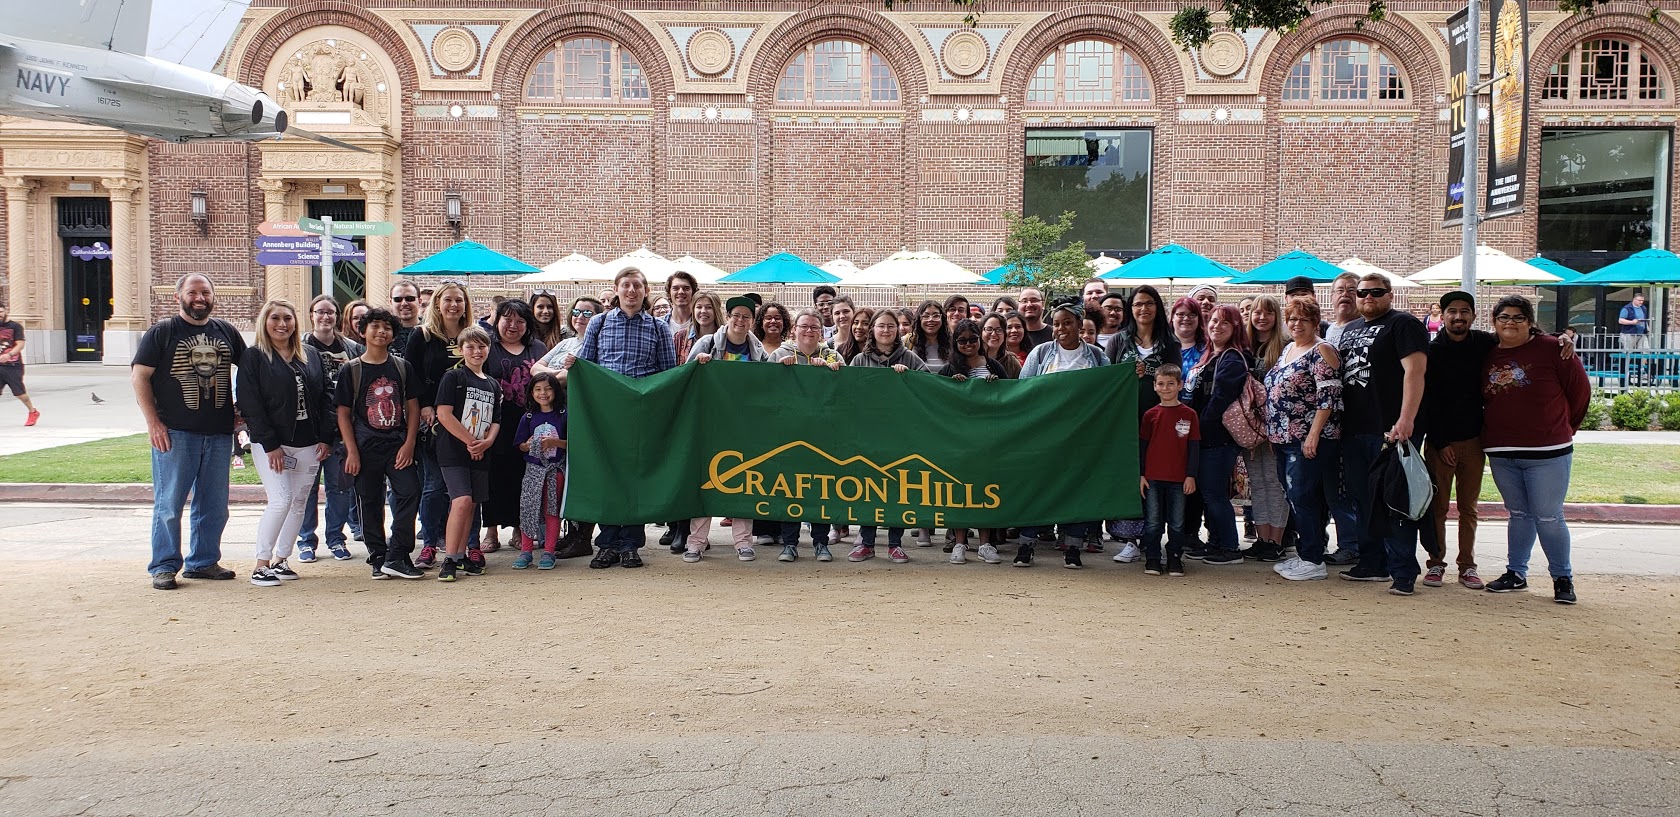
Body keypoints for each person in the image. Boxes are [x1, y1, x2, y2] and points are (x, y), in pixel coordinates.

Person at [134, 274, 248, 590]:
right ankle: (164, 565)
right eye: (193, 292)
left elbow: (250, 370)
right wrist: (153, 422)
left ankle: (203, 562)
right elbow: (140, 377)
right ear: (178, 297)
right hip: (175, 433)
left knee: (213, 505)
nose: (199, 298)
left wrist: (242, 407)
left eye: (205, 292)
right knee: (169, 504)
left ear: (214, 296)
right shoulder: (162, 332)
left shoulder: (226, 332)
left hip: (219, 433)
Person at [1481, 295, 1591, 604]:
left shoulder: (1553, 349)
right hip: (1502, 452)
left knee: (1547, 516)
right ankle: (1516, 573)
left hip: (1549, 452)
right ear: (1494, 322)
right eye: (1504, 317)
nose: (1510, 323)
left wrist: (1563, 429)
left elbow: (1580, 393)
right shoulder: (1487, 354)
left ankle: (1562, 577)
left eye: (1518, 317)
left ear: (1530, 322)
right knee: (1518, 514)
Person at [565, 267, 679, 568]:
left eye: (637, 286)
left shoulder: (657, 328)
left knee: (634, 477)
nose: (631, 291)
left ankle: (630, 544)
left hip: (641, 413)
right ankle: (607, 543)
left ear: (645, 291)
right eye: (626, 285)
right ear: (616, 290)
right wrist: (572, 364)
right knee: (607, 477)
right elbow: (586, 365)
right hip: (606, 412)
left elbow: (667, 373)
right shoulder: (599, 323)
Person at [1336, 272, 1429, 596]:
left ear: (1390, 294)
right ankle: (1371, 562)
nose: (1368, 298)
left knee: (1394, 501)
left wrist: (1406, 419)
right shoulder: (1350, 329)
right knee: (1363, 500)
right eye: (1362, 293)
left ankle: (1403, 570)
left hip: (1390, 431)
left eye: (1376, 292)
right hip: (1354, 430)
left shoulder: (1403, 324)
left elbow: (1415, 372)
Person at [236, 300, 333, 587]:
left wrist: (327, 437)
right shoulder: (254, 357)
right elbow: (250, 404)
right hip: (272, 444)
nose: (282, 324)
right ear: (264, 322)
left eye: (287, 318)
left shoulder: (311, 355)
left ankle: (281, 559)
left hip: (309, 443)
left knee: (299, 502)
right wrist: (270, 444)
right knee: (281, 500)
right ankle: (261, 563)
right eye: (275, 318)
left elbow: (327, 397)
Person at [335, 308, 423, 581]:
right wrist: (351, 450)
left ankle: (398, 554)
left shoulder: (401, 367)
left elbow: (413, 407)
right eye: (374, 326)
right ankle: (377, 556)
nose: (381, 331)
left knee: (410, 491)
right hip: (365, 445)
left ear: (393, 335)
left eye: (387, 327)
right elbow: (343, 413)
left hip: (396, 443)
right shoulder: (352, 369)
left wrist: (409, 443)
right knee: (369, 500)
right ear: (363, 331)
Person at [683, 295, 772, 562]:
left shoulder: (758, 352)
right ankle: (696, 542)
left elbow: (767, 386)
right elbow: (685, 378)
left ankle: (743, 542)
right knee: (705, 481)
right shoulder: (707, 343)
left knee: (743, 479)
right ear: (728, 317)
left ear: (752, 321)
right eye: (736, 315)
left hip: (744, 426)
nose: (740, 320)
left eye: (746, 316)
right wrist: (697, 364)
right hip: (710, 423)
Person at [1020, 303, 1109, 568]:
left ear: (1080, 325)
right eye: (1057, 323)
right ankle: (1026, 544)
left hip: (1082, 437)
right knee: (1037, 488)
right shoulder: (1041, 353)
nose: (1061, 328)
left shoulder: (1095, 355)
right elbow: (1023, 390)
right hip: (1045, 436)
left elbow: (1109, 389)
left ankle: (1072, 547)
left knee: (1077, 491)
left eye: (1067, 322)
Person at [1264, 298, 1343, 581]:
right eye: (1292, 319)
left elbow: (1329, 397)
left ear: (1315, 321)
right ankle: (1305, 552)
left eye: (1303, 319)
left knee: (1303, 495)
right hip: (1284, 437)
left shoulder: (1322, 350)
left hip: (1308, 438)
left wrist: (1313, 435)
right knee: (1293, 496)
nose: (1297, 324)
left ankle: (1313, 558)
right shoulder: (1288, 348)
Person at [847, 309, 929, 563]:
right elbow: (847, 392)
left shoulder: (911, 358)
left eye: (891, 326)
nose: (885, 331)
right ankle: (866, 542)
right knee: (868, 488)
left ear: (898, 330)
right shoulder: (860, 359)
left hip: (900, 435)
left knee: (897, 488)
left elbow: (929, 387)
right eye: (881, 326)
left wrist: (909, 379)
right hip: (868, 435)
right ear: (872, 329)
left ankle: (895, 543)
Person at [1422, 291, 1492, 590]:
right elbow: (1428, 401)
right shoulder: (1432, 351)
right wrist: (1441, 442)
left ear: (1474, 316)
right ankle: (1435, 563)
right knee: (1437, 506)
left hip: (1474, 441)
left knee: (1469, 507)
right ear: (1443, 315)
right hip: (1441, 443)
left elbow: (1526, 336)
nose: (1458, 317)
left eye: (1465, 311)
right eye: (1452, 311)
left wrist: (1560, 338)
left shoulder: (1486, 344)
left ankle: (1467, 566)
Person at [405, 281, 473, 567]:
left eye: (459, 300)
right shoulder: (422, 336)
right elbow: (411, 375)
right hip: (433, 420)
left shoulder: (472, 335)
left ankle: (469, 545)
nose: (453, 305)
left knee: (469, 488)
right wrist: (424, 406)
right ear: (437, 304)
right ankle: (430, 543)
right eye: (448, 300)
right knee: (433, 485)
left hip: (469, 419)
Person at [768, 309, 845, 562]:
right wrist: (779, 371)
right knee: (789, 488)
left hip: (823, 435)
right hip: (788, 433)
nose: (809, 331)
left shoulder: (833, 355)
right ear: (795, 329)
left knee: (821, 489)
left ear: (821, 332)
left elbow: (846, 391)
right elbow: (764, 387)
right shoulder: (779, 354)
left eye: (814, 327)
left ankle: (821, 543)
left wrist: (835, 373)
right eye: (804, 326)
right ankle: (789, 543)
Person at [296, 296, 364, 562]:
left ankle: (336, 538)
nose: (325, 317)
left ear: (338, 317)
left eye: (331, 313)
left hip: (342, 431)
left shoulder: (353, 348)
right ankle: (306, 541)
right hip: (309, 432)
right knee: (308, 488)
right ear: (311, 315)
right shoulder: (299, 347)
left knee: (340, 488)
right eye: (320, 312)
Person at [937, 319, 1009, 565]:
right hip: (959, 440)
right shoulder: (948, 369)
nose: (968, 344)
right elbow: (938, 401)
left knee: (986, 489)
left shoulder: (995, 366)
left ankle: (986, 543)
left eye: (972, 339)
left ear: (980, 339)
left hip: (990, 439)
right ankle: (959, 542)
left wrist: (996, 386)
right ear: (955, 343)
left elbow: (1010, 397)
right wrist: (951, 388)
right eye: (962, 340)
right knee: (959, 490)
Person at [1186, 304, 1253, 566]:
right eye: (1213, 321)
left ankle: (1229, 546)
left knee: (1214, 494)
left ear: (1235, 327)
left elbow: (1219, 400)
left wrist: (1197, 428)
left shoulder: (1233, 358)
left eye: (1225, 322)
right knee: (1208, 493)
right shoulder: (1210, 355)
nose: (1216, 326)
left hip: (1216, 438)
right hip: (1203, 438)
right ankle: (1216, 542)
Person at [433, 325, 501, 582]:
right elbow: (444, 414)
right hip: (454, 451)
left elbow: (496, 419)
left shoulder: (492, 384)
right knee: (460, 500)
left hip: (481, 452)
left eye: (481, 346)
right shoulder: (453, 377)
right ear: (460, 350)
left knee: (472, 504)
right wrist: (471, 441)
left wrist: (487, 442)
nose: (476, 351)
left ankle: (461, 556)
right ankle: (449, 558)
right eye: (470, 347)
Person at [1139, 364, 1199, 576]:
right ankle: (1153, 557)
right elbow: (1143, 446)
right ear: (1154, 386)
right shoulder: (1150, 415)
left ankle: (1174, 557)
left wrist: (1190, 475)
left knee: (1176, 523)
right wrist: (1142, 474)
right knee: (1153, 522)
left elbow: (1193, 447)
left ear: (1180, 385)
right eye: (1161, 384)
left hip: (1178, 478)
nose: (1166, 388)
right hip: (1153, 478)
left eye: (1171, 384)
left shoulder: (1189, 414)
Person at [1244, 295, 1291, 561]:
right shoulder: (1244, 346)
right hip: (1249, 428)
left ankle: (1276, 540)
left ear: (1276, 317)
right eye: (1256, 313)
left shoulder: (1285, 347)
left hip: (1277, 426)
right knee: (1257, 483)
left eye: (1268, 313)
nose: (1262, 317)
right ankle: (1262, 539)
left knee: (1275, 484)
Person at [514, 371, 567, 570]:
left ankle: (549, 551)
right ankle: (526, 551)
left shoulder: (564, 414)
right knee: (528, 508)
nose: (542, 393)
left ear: (555, 390)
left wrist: (555, 442)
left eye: (547, 388)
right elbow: (520, 445)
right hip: (533, 470)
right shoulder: (528, 417)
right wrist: (528, 445)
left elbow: (574, 443)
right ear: (531, 393)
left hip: (555, 470)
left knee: (551, 510)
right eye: (537, 389)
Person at [532, 295, 603, 380]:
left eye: (587, 313)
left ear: (598, 318)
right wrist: (557, 372)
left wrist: (546, 374)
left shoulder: (598, 346)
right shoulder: (565, 342)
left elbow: (569, 378)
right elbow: (535, 368)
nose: (580, 317)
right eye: (576, 312)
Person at [0, 302, 37, 426]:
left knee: (19, 393)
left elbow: (20, 344)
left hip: (12, 365)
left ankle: (32, 411)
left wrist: (9, 354)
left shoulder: (15, 327)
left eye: (1, 312)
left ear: (6, 311)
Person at [664, 271, 699, 359]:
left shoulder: (701, 324)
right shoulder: (659, 325)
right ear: (669, 292)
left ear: (693, 292)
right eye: (675, 288)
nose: (681, 292)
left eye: (686, 288)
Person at [978, 313, 1023, 379]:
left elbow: (1021, 385)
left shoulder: (1012, 362)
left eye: (999, 330)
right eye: (989, 329)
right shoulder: (971, 359)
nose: (993, 334)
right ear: (981, 332)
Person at [911, 299, 952, 372]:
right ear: (919, 318)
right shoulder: (909, 342)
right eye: (926, 316)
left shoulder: (952, 342)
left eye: (936, 316)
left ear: (942, 318)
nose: (931, 319)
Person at [388, 280, 423, 353]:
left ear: (419, 301)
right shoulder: (385, 333)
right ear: (391, 302)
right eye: (398, 299)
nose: (404, 303)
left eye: (410, 299)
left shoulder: (432, 331)